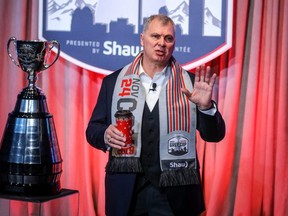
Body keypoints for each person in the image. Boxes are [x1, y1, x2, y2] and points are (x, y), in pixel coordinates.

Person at [86, 14, 225, 216]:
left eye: (168, 38)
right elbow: (93, 129)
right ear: (142, 39)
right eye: (155, 36)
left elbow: (214, 135)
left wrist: (206, 107)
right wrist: (105, 135)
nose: (161, 43)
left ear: (174, 43)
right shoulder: (113, 82)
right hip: (127, 193)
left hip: (176, 194)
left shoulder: (192, 83)